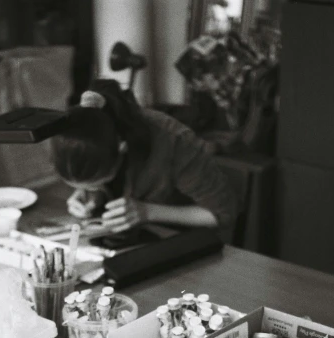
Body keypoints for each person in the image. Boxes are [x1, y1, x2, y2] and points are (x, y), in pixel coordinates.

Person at [51, 79, 237, 242]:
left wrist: (146, 212)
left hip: (181, 244)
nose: (87, 189)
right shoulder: (95, 130)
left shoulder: (174, 140)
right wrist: (91, 195)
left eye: (96, 183)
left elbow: (222, 214)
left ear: (122, 148)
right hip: (132, 240)